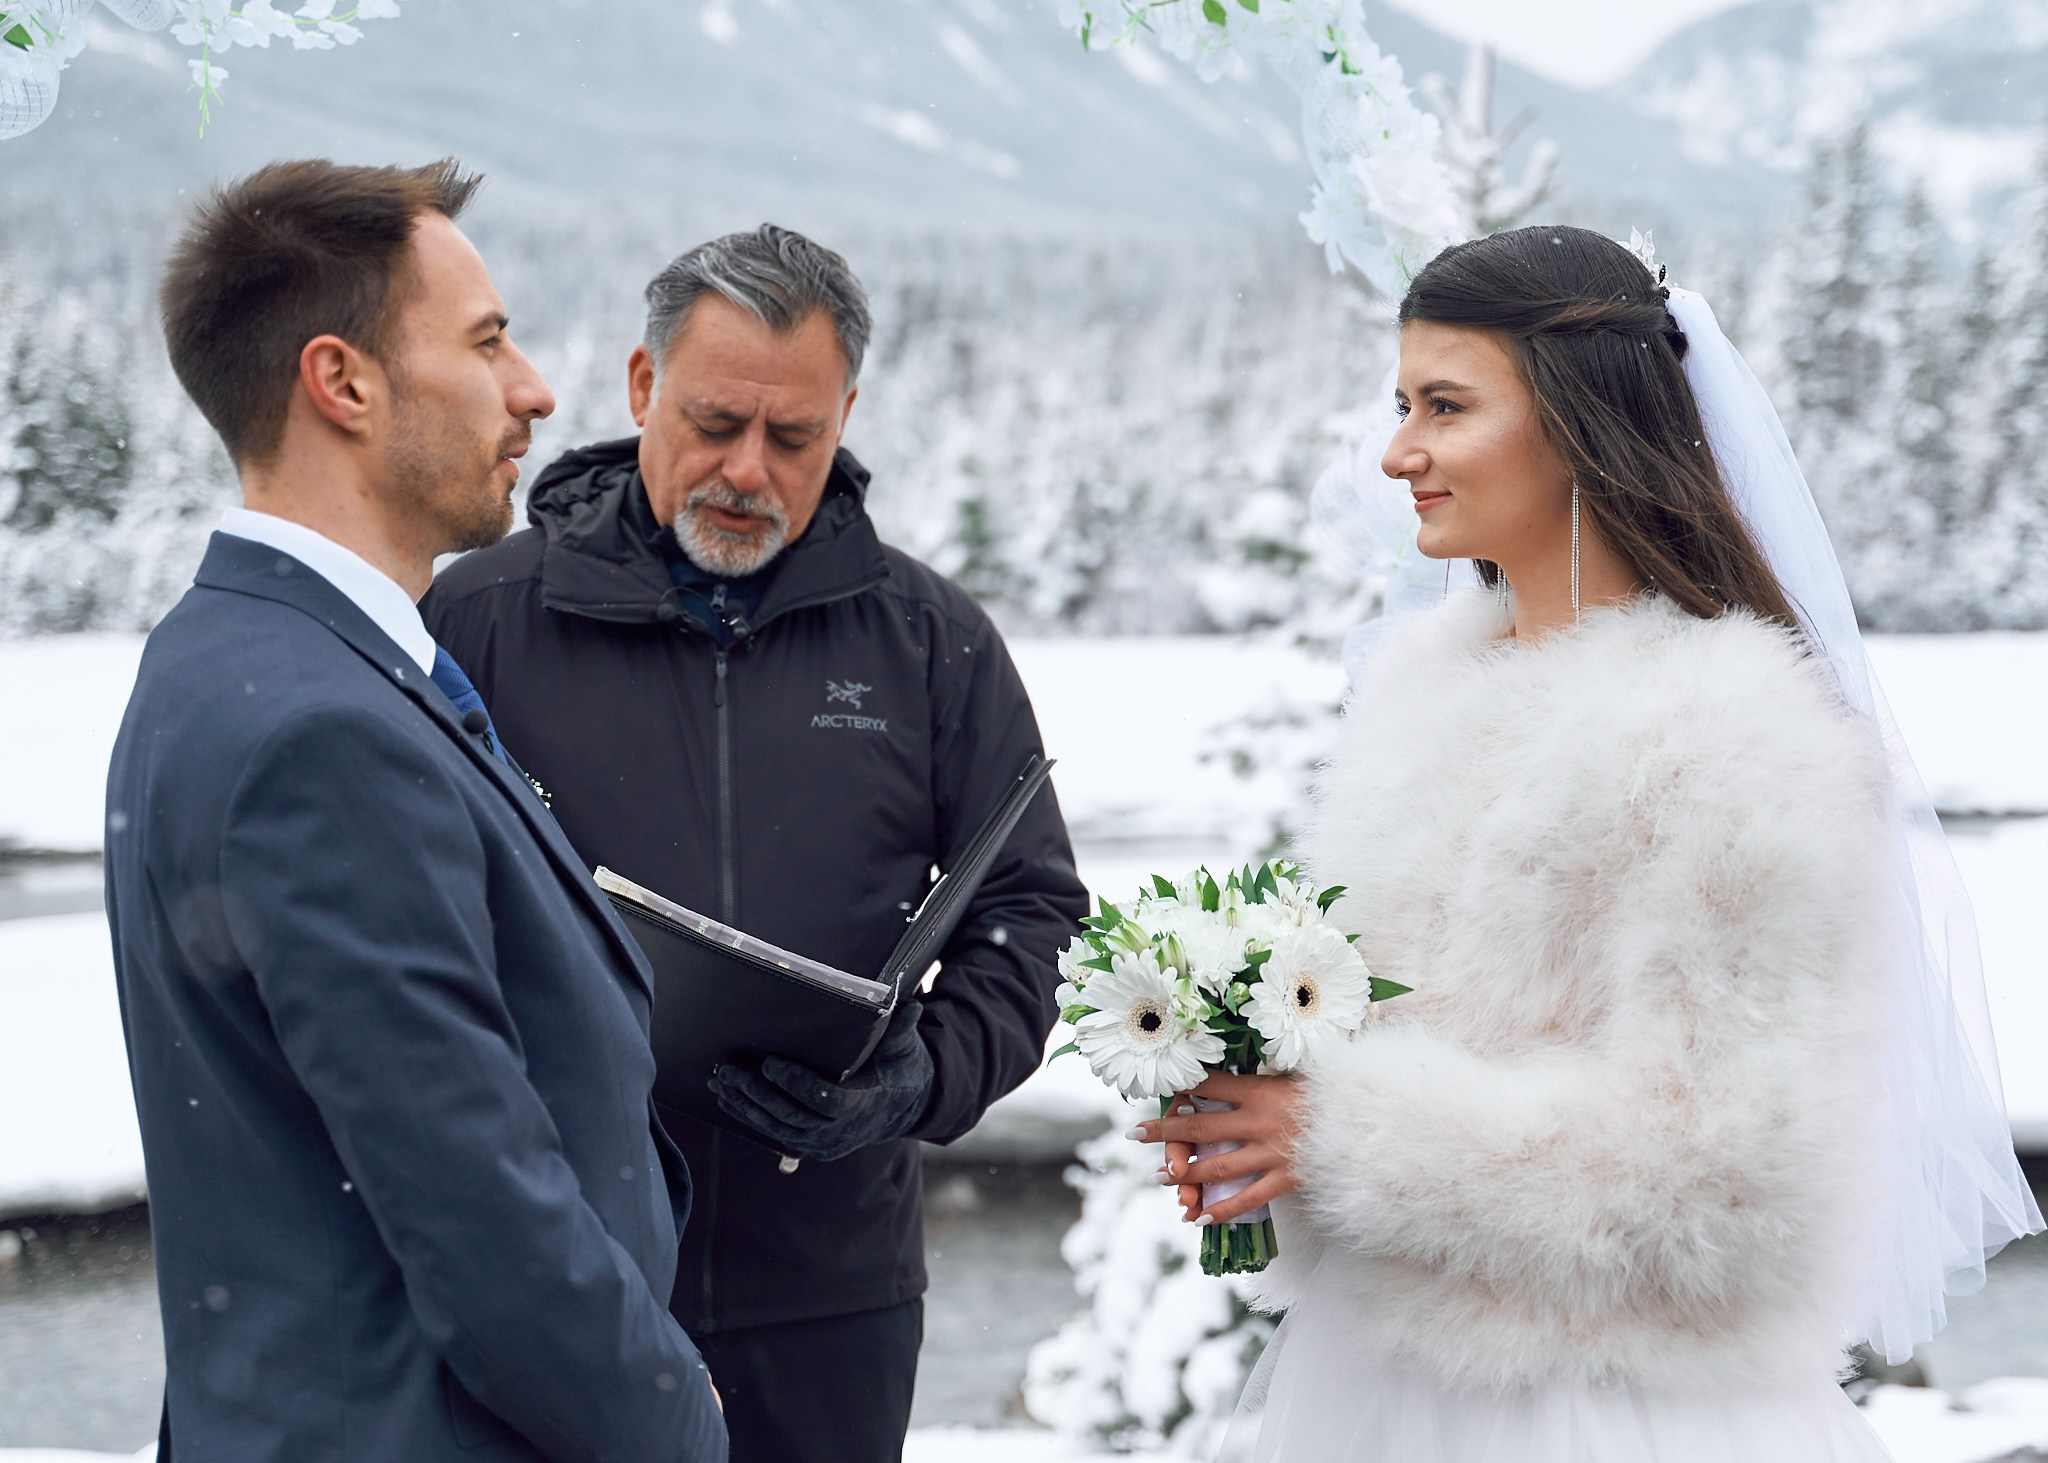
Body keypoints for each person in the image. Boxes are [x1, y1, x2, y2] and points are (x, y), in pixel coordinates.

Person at [1135, 225, 2041, 1461]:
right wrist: (1253, 1126)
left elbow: (1731, 1173)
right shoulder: (1417, 697)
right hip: (1374, 1386)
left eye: (1443, 406)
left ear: (1571, 419)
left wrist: (1335, 1131)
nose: (1397, 451)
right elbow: (1386, 1043)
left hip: (1609, 1408)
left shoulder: (1732, 735)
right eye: (1399, 404)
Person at [421, 224, 1088, 1463]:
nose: (747, 470)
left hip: (831, 1289)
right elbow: (407, 916)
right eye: (715, 422)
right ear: (640, 386)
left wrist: (925, 1076)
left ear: (845, 415)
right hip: (560, 1268)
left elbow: (1030, 910)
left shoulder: (928, 639)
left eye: (793, 438)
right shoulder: (478, 616)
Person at [105, 158, 726, 1463]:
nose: (536, 390)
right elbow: (477, 1212)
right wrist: (676, 1416)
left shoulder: (235, 653)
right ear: (343, 382)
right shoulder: (322, 730)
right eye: (488, 341)